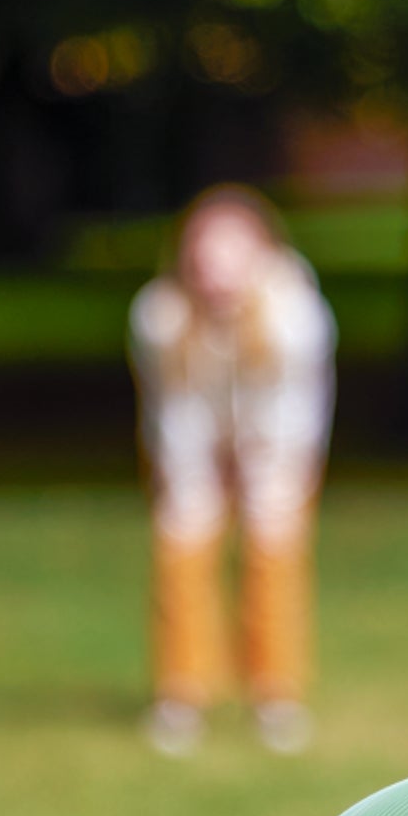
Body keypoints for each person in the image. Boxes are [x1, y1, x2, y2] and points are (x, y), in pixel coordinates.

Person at [129, 185, 336, 757]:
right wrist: (195, 477)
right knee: (181, 547)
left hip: (277, 447)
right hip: (191, 445)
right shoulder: (160, 316)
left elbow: (293, 410)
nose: (216, 268)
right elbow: (173, 410)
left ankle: (276, 695)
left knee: (274, 554)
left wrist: (262, 471)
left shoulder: (295, 314)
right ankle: (182, 694)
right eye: (205, 252)